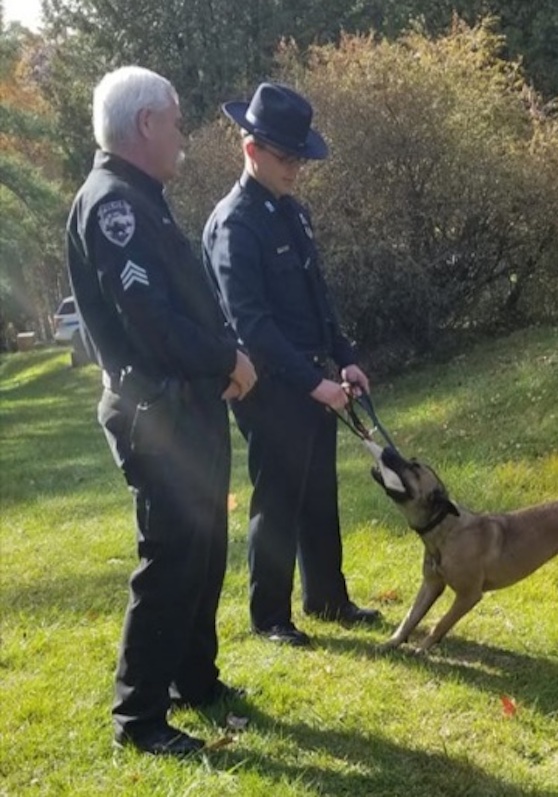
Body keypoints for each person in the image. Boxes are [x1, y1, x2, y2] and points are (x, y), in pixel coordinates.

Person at [65, 66, 257, 756]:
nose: (182, 135)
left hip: (188, 408)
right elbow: (152, 323)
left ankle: (193, 680)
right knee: (172, 556)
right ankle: (138, 717)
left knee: (204, 549)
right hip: (158, 415)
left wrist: (220, 360)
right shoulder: (114, 205)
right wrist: (225, 361)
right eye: (175, 121)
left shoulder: (143, 197)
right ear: (147, 124)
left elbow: (185, 302)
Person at [203, 82, 380, 647]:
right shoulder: (234, 225)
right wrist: (312, 384)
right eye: (286, 157)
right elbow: (250, 324)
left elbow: (317, 296)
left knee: (318, 492)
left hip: (314, 376)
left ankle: (328, 596)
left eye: (300, 158)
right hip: (269, 384)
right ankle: (270, 616)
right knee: (277, 498)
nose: (296, 169)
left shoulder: (292, 213)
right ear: (251, 149)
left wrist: (345, 359)